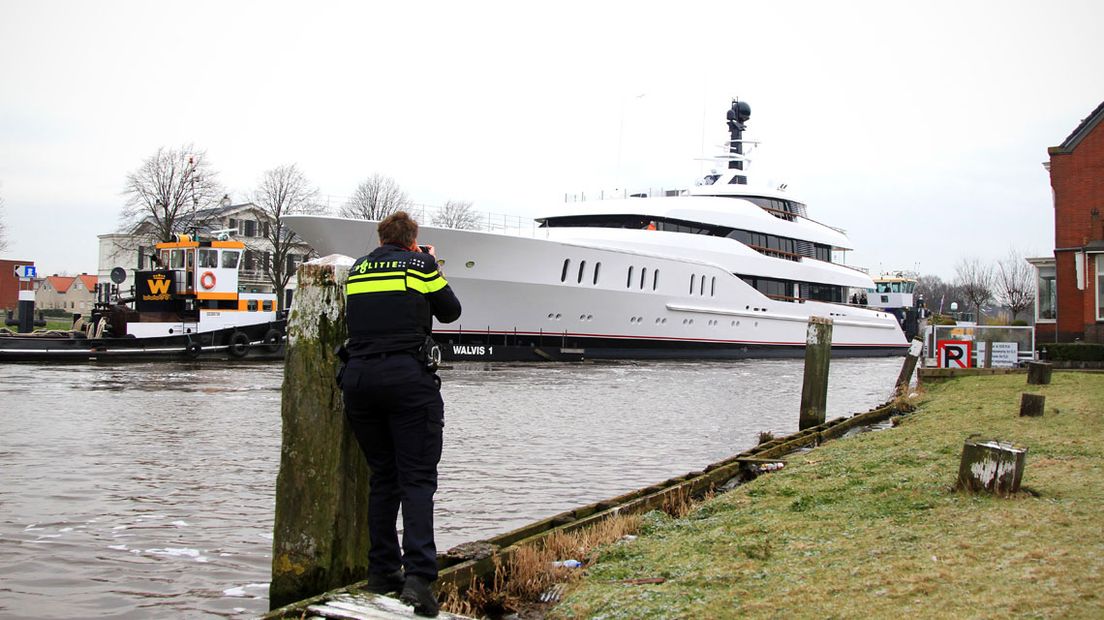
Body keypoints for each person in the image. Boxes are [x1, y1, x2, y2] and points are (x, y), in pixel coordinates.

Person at [341, 211, 461, 617]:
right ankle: (420, 579)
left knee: (383, 477)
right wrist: (429, 262)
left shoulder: (358, 268)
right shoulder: (420, 264)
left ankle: (381, 572)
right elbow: (450, 312)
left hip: (359, 380)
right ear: (412, 240)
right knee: (417, 478)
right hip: (407, 379)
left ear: (380, 237)